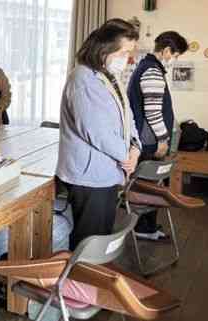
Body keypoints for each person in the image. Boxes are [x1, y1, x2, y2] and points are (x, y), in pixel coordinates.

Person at [56, 19, 142, 250]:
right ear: (104, 49)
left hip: (108, 170)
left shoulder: (108, 77)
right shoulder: (82, 78)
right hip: (89, 175)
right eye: (125, 52)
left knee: (100, 236)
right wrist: (127, 156)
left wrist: (135, 148)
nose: (129, 59)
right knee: (89, 240)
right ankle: (76, 283)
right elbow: (96, 131)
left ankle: (87, 282)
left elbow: (128, 115)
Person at [128, 31, 188, 241]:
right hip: (150, 140)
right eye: (176, 54)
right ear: (167, 50)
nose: (175, 59)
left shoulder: (146, 66)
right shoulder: (152, 71)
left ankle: (146, 226)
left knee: (150, 185)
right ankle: (144, 228)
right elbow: (153, 112)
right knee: (150, 186)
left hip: (146, 138)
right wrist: (163, 139)